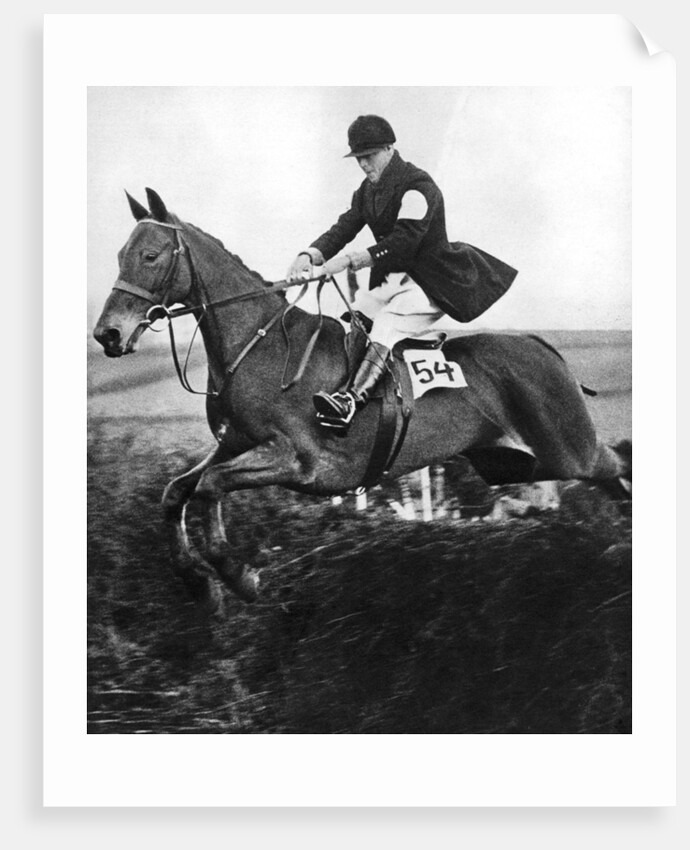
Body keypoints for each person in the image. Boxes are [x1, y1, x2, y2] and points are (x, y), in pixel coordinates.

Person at [287, 114, 518, 433]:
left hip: (432, 283)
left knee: (387, 321)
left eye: (368, 157)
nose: (364, 165)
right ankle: (345, 388)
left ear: (388, 149)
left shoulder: (418, 187)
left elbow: (404, 243)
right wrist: (311, 253)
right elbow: (344, 227)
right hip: (394, 282)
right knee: (357, 317)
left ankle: (353, 401)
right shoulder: (367, 191)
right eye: (358, 159)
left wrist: (350, 261)